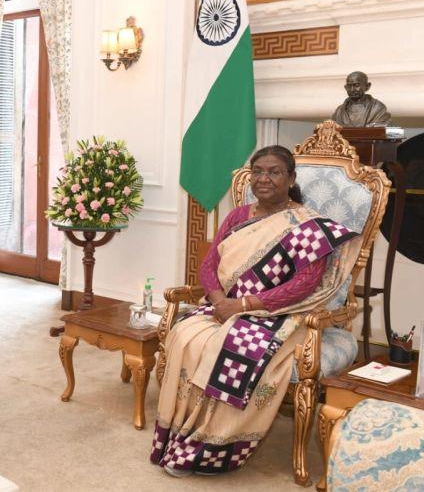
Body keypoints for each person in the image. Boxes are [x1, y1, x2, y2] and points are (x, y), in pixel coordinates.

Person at [150, 145, 362, 476]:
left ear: (291, 178)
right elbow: (209, 267)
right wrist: (221, 302)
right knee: (185, 334)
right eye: (257, 171)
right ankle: (181, 434)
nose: (264, 179)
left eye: (274, 171)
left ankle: (211, 447)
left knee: (235, 345)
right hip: (226, 306)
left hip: (283, 315)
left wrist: (244, 305)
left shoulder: (309, 227)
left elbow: (303, 286)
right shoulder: (237, 216)